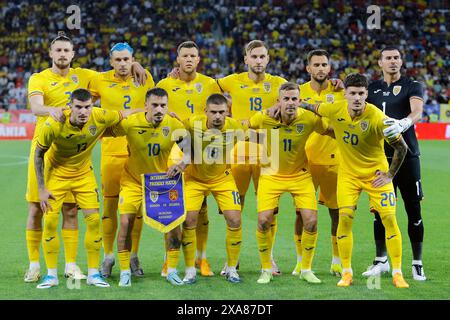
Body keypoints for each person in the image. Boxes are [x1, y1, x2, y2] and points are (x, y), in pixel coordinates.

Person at [25, 32, 146, 283]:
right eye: (57, 50)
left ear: (72, 54)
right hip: (48, 149)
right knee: (37, 208)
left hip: (78, 155)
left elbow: (115, 70)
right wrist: (53, 111)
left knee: (71, 210)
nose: (62, 55)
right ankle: (34, 264)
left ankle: (70, 266)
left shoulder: (86, 76)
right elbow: (36, 107)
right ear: (50, 54)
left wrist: (134, 63)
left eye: (66, 51)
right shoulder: (39, 78)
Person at [299, 73, 410, 288]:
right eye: (352, 93)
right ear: (346, 94)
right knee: (345, 219)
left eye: (361, 93)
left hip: (376, 176)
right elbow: (312, 107)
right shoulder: (335, 108)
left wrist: (389, 175)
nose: (357, 97)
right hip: (349, 176)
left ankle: (397, 273)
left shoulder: (378, 117)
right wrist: (293, 102)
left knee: (389, 219)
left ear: (366, 94)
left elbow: (402, 148)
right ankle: (347, 272)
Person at [34, 88, 136, 288]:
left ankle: (92, 274)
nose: (83, 112)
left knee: (93, 222)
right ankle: (51, 275)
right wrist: (41, 188)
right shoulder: (54, 124)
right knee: (51, 222)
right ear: (70, 106)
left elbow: (126, 113)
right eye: (78, 107)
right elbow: (38, 154)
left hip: (84, 176)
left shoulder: (99, 116)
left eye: (87, 107)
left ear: (92, 106)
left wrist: (153, 110)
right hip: (57, 175)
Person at [247, 82, 333, 284]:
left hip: (300, 175)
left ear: (300, 101)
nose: (291, 103)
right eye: (286, 99)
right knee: (263, 221)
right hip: (270, 175)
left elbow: (330, 131)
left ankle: (306, 269)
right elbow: (244, 127)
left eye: (294, 99)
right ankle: (266, 269)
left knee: (311, 220)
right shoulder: (264, 117)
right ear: (278, 101)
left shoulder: (310, 118)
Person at [216, 40, 287, 276]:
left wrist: (334, 84)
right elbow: (204, 87)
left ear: (268, 59)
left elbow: (302, 95)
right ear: (246, 59)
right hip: (238, 151)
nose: (258, 61)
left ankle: (269, 258)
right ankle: (231, 260)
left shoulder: (279, 84)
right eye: (254, 56)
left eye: (262, 56)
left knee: (270, 208)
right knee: (234, 207)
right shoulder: (232, 81)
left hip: (269, 152)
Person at [106, 87, 186, 287]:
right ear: (146, 106)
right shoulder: (131, 123)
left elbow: (191, 149)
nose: (159, 109)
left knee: (174, 226)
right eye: (155, 105)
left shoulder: (174, 125)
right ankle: (125, 271)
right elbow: (106, 130)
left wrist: (181, 165)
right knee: (125, 222)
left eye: (163, 105)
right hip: (133, 181)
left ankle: (172, 270)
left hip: (161, 182)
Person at [88, 42, 155, 278]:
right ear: (111, 61)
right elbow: (82, 98)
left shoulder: (144, 77)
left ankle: (134, 255)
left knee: (136, 210)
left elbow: (156, 105)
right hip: (111, 152)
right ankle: (108, 256)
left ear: (133, 59)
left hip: (139, 152)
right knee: (110, 206)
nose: (123, 64)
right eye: (118, 60)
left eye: (127, 59)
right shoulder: (98, 80)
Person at [157, 41, 221, 277]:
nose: (189, 59)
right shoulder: (165, 84)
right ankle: (169, 259)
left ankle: (201, 259)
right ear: (178, 59)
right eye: (185, 55)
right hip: (174, 147)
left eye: (193, 55)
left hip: (202, 149)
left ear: (199, 59)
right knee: (171, 207)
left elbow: (222, 111)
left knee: (201, 208)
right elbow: (155, 110)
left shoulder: (210, 83)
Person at [364, 46, 426, 281]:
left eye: (396, 58)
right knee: (380, 213)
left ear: (401, 61)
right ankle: (381, 261)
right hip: (379, 159)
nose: (393, 61)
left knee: (414, 211)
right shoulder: (372, 89)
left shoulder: (413, 85)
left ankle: (417, 263)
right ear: (380, 63)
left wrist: (404, 123)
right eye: (388, 58)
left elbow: (417, 111)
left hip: (408, 158)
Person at [293, 49, 345, 277]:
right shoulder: (298, 92)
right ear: (308, 68)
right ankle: (300, 261)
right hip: (305, 162)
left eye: (325, 64)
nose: (321, 68)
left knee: (337, 213)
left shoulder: (340, 91)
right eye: (317, 65)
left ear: (329, 68)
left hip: (334, 161)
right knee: (301, 214)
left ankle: (336, 261)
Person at [180, 93, 243, 284]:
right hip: (194, 178)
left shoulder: (235, 127)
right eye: (213, 112)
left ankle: (232, 268)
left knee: (235, 219)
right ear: (205, 111)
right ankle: (190, 269)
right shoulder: (192, 123)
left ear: (228, 112)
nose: (217, 116)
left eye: (222, 112)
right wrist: (185, 156)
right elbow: (176, 132)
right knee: (189, 220)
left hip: (222, 178)